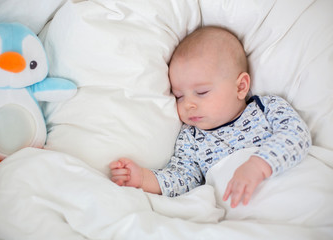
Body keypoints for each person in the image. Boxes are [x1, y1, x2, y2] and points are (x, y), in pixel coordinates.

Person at [109, 26, 311, 208]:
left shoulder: (265, 108)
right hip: (244, 210)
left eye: (202, 92)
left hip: (295, 188)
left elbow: (297, 135)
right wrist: (143, 178)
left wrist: (258, 165)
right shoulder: (191, 138)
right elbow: (184, 178)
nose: (188, 104)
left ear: (240, 87)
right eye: (179, 96)